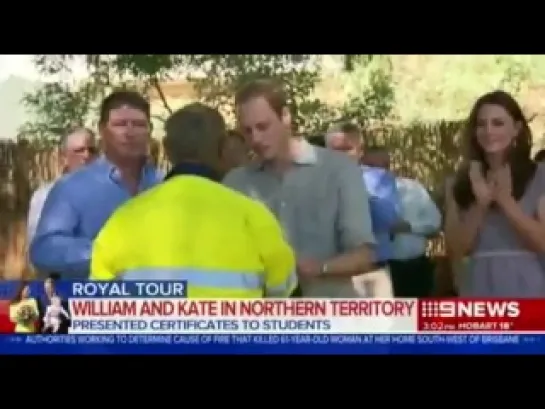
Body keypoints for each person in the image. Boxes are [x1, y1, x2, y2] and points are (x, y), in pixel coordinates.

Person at [90, 103, 298, 299]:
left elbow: (99, 295)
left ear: (167, 149)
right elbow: (283, 289)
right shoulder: (253, 216)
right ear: (223, 147)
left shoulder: (124, 219)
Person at [224, 79, 376, 298]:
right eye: (247, 131)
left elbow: (364, 254)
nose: (256, 138)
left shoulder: (338, 170)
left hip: (330, 318)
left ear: (285, 116)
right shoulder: (236, 183)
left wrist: (320, 268)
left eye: (263, 127)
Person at [30, 90, 163, 279]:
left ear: (149, 130)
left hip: (158, 302)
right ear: (102, 130)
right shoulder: (72, 188)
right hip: (94, 303)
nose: (129, 132)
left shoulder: (164, 184)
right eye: (120, 124)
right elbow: (44, 250)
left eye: (139, 125)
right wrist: (109, 252)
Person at [446, 90, 545, 297]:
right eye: (482, 124)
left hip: (531, 290)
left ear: (516, 128)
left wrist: (506, 202)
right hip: (478, 292)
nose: (489, 131)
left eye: (498, 123)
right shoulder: (459, 183)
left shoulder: (540, 176)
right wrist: (480, 205)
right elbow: (456, 249)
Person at [325, 128, 398, 297]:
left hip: (373, 275)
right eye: (334, 150)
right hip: (332, 276)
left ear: (360, 152)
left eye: (346, 149)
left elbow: (388, 220)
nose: (340, 155)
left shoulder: (380, 179)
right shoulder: (314, 184)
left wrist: (358, 191)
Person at [27, 127, 97, 243]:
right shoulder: (45, 196)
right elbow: (37, 244)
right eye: (79, 150)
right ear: (64, 157)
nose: (87, 156)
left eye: (92, 150)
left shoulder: (109, 193)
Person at [390, 173, 442, 297]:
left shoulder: (413, 188)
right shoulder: (360, 189)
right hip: (381, 269)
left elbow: (435, 222)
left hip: (417, 268)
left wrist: (410, 227)